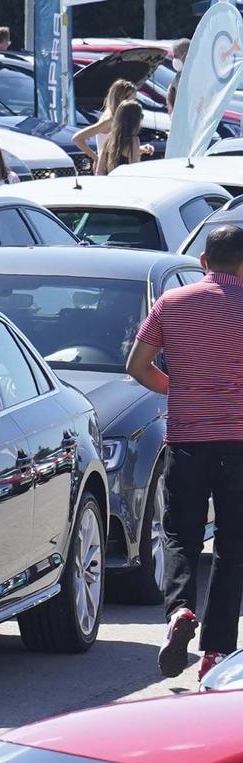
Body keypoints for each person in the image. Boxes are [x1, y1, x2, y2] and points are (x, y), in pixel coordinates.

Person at [128, 223, 243, 682]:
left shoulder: (171, 304)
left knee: (180, 536)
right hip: (240, 444)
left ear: (203, 263)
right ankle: (216, 654)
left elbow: (137, 365)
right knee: (234, 549)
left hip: (188, 441)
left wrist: (180, 389)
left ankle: (179, 610)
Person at [74, 79, 140, 165]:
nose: (134, 103)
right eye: (132, 99)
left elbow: (117, 147)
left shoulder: (118, 118)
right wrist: (96, 159)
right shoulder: (109, 120)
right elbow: (77, 138)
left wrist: (140, 149)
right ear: (121, 99)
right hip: (108, 168)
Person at [95, 99, 144, 176]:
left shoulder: (109, 138)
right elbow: (135, 169)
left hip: (110, 183)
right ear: (135, 120)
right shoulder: (133, 141)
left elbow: (99, 170)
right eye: (141, 116)